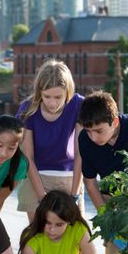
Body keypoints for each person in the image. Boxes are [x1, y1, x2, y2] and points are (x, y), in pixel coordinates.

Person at [77, 91, 128, 254]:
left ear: (115, 121)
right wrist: (105, 216)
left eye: (99, 131)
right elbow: (90, 181)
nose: (93, 137)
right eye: (88, 131)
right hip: (109, 201)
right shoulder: (84, 140)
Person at [16, 58, 84, 223]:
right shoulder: (28, 108)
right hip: (34, 176)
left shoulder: (79, 105)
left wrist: (74, 195)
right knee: (38, 235)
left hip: (68, 176)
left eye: (58, 97)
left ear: (67, 92)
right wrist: (42, 197)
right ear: (39, 91)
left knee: (75, 236)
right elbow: (28, 157)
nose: (52, 103)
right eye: (47, 96)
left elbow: (80, 154)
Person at [18, 190, 102, 254]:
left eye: (59, 224)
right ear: (41, 218)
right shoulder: (32, 236)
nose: (52, 230)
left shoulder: (77, 229)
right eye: (47, 222)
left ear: (69, 221)